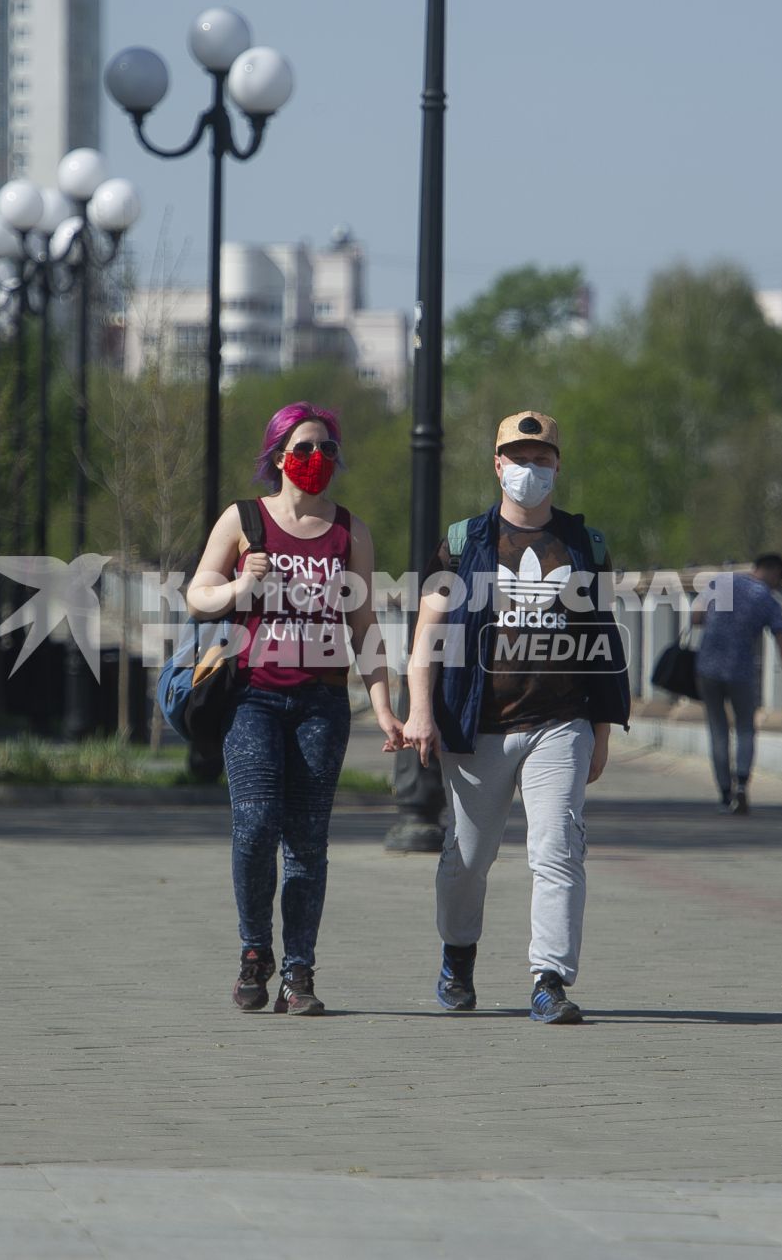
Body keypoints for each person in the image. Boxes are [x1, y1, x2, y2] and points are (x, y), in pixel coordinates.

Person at [400, 411, 630, 1025]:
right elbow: (427, 631)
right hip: (476, 724)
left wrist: (600, 732)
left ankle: (549, 979)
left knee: (557, 846)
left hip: (561, 723)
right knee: (466, 860)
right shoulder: (463, 541)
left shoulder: (586, 544)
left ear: (558, 466)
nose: (531, 469)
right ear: (497, 465)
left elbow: (603, 643)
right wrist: (420, 709)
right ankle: (458, 954)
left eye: (543, 458)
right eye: (518, 458)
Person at [186, 403, 402, 1017]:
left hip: (321, 702)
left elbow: (364, 625)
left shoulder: (349, 532)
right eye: (306, 448)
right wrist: (236, 587)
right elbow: (198, 594)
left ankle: (299, 973)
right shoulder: (245, 520)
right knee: (255, 828)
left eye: (329, 450)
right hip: (251, 694)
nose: (318, 460)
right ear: (278, 455)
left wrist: (383, 706)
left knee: (307, 842)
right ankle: (256, 955)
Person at [692, 552, 782, 816]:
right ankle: (741, 785)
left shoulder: (720, 583)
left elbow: (695, 617)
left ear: (755, 567)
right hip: (741, 672)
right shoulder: (767, 600)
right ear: (775, 573)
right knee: (745, 728)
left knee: (718, 729)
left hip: (707, 668)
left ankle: (724, 794)